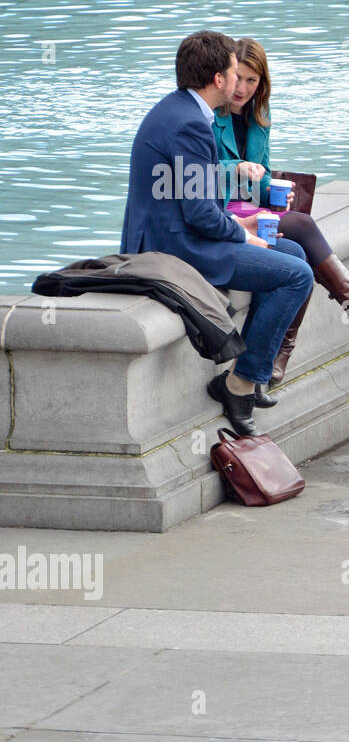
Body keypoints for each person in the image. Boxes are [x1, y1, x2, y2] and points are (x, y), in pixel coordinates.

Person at [120, 30, 313, 437]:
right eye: (232, 70)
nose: (237, 79)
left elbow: (195, 203)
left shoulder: (180, 112)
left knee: (293, 252)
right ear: (218, 80)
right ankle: (238, 384)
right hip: (175, 249)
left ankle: (251, 373)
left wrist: (243, 225)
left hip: (178, 234)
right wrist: (243, 235)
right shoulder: (190, 126)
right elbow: (200, 215)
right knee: (296, 275)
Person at [212, 38, 349, 408]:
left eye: (252, 81)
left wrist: (275, 191)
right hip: (224, 215)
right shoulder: (211, 115)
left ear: (262, 83)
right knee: (301, 230)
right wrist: (239, 171)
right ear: (223, 76)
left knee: (299, 248)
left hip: (248, 209)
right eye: (238, 78)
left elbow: (263, 174)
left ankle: (288, 348)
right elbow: (200, 171)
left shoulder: (259, 117)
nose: (242, 89)